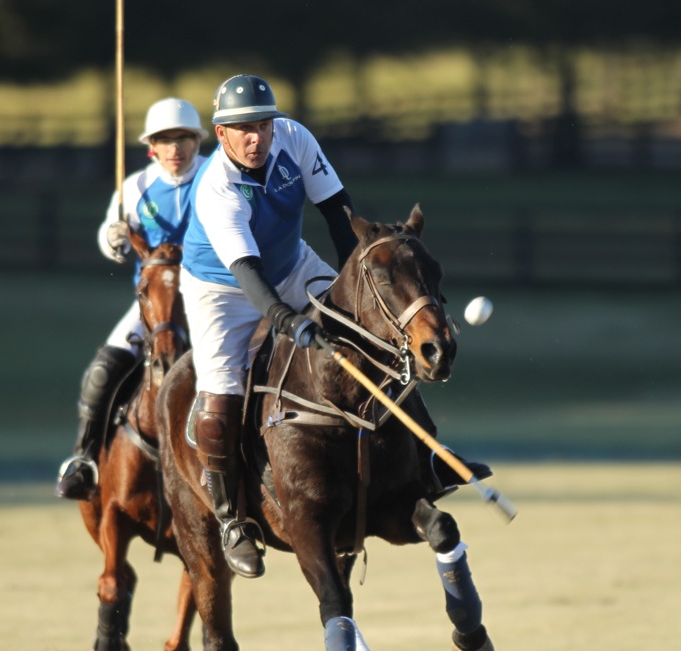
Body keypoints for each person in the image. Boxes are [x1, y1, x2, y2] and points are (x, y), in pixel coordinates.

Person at [181, 73, 486, 580]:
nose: (256, 137)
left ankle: (427, 457)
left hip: (291, 263)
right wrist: (288, 320)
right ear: (221, 134)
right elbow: (248, 273)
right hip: (222, 290)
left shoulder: (294, 139)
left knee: (374, 337)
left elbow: (338, 214)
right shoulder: (218, 190)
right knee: (221, 398)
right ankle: (232, 519)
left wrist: (357, 293)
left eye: (263, 125)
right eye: (244, 129)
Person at [55, 97, 208, 500]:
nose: (175, 148)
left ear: (198, 141)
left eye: (183, 138)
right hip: (154, 306)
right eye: (165, 139)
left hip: (211, 299)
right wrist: (113, 237)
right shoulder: (136, 187)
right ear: (151, 146)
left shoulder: (215, 176)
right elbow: (112, 236)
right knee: (104, 368)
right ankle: (85, 459)